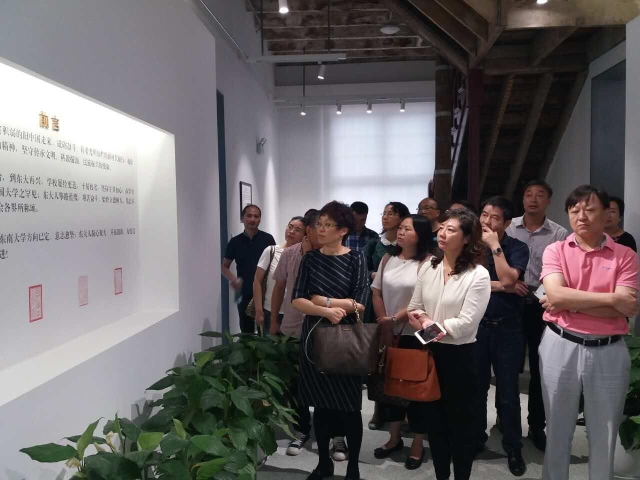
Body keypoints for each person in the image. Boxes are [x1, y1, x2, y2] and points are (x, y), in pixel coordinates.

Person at [539, 185, 639, 480]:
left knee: (605, 431)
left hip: (609, 350)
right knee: (557, 428)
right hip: (560, 344)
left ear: (607, 214)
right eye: (574, 210)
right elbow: (555, 295)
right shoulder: (555, 250)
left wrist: (569, 301)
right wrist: (611, 299)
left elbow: (626, 307)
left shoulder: (625, 255)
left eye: (590, 209)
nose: (581, 216)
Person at [407, 208, 491, 480]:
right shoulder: (428, 266)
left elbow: (465, 324)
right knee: (435, 425)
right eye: (442, 227)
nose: (442, 233)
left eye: (451, 229)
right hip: (431, 354)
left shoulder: (478, 274)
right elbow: (414, 309)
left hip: (461, 357)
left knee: (461, 428)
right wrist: (428, 323)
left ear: (466, 238)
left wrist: (427, 324)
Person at [292, 201, 369, 480]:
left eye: (327, 225)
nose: (320, 229)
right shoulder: (310, 259)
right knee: (320, 405)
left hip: (346, 340)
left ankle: (353, 466)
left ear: (343, 230)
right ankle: (323, 462)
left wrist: (323, 300)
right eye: (319, 224)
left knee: (350, 407)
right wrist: (326, 310)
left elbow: (360, 303)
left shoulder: (356, 258)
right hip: (315, 337)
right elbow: (298, 299)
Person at [506, 180, 567, 451]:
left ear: (548, 200)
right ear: (522, 199)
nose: (533, 199)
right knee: (509, 367)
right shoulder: (509, 227)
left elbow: (562, 269)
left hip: (542, 303)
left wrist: (542, 292)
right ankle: (506, 422)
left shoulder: (558, 232)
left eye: (539, 195)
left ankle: (536, 425)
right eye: (529, 194)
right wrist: (511, 283)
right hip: (510, 300)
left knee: (540, 367)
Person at [371, 214, 434, 470]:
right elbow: (376, 292)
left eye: (407, 229)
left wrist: (394, 319)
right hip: (388, 331)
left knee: (416, 389)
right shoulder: (388, 258)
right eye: (400, 228)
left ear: (420, 235)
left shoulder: (429, 263)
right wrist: (383, 321)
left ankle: (418, 442)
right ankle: (394, 436)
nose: (400, 232)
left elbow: (423, 299)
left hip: (414, 334)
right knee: (391, 388)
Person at [475, 196, 529, 476]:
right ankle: (475, 439)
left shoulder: (517, 247)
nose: (487, 221)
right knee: (476, 388)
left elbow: (510, 278)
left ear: (507, 223)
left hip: (508, 328)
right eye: (484, 214)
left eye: (494, 217)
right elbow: (462, 282)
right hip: (476, 327)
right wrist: (503, 285)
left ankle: (513, 447)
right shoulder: (470, 246)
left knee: (508, 392)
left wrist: (495, 246)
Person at [269, 210, 320, 456]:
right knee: (294, 382)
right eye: (318, 226)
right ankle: (301, 429)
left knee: (324, 381)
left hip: (322, 329)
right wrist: (273, 320)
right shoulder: (289, 254)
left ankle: (330, 432)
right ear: (309, 229)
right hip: (291, 325)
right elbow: (279, 288)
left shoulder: (328, 254)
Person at [363, 201, 410, 429]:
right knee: (378, 361)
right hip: (377, 304)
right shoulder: (375, 244)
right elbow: (362, 270)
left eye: (392, 213)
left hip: (404, 313)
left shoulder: (416, 253)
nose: (385, 217)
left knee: (405, 364)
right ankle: (378, 410)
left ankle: (406, 414)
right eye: (384, 213)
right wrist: (375, 275)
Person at [222, 204, 275, 333]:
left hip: (265, 292)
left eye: (256, 216)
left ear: (260, 219)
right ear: (242, 218)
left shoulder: (268, 239)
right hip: (244, 292)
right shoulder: (235, 242)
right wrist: (233, 279)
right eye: (249, 216)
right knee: (246, 332)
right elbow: (224, 266)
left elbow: (275, 264)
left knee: (265, 332)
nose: (252, 219)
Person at [252, 216, 306, 336]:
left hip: (295, 315)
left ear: (305, 235)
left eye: (298, 230)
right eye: (290, 227)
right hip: (269, 311)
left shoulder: (305, 256)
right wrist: (259, 311)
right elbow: (257, 281)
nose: (291, 231)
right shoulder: (271, 251)